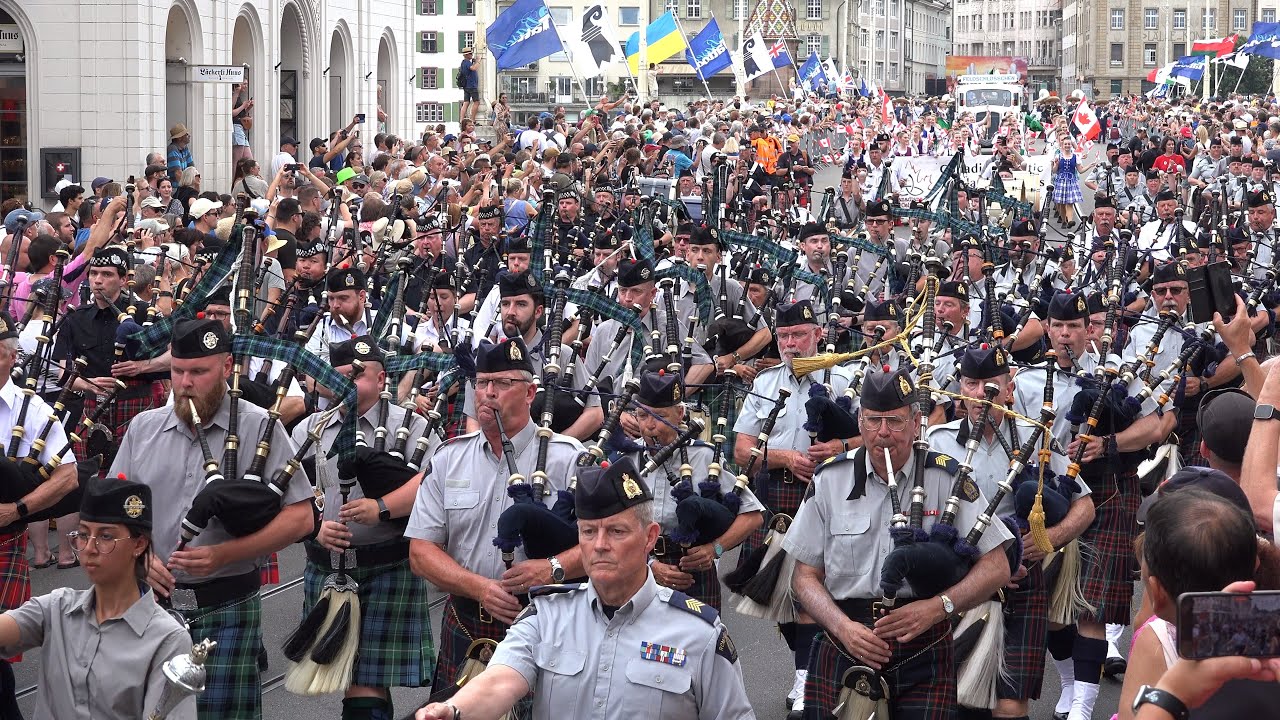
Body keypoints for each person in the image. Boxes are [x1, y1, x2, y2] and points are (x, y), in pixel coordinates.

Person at [413, 457, 755, 720]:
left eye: (617, 532)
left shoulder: (699, 634)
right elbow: (500, 680)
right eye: (589, 532)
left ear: (650, 538)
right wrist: (455, 711)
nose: (600, 545)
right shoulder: (546, 616)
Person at [108, 315, 314, 719]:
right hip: (150, 604)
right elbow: (114, 513)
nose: (185, 383)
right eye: (178, 371)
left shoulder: (260, 426)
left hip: (227, 605)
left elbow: (302, 517)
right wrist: (137, 559)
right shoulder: (143, 429)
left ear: (225, 367)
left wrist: (226, 553)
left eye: (198, 371)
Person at [785, 367, 1014, 719]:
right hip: (845, 639)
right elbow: (805, 576)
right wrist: (841, 627)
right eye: (873, 420)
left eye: (894, 420)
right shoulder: (830, 479)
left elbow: (997, 566)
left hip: (924, 641)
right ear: (859, 421)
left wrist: (939, 607)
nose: (883, 432)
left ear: (916, 421)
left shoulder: (948, 477)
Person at [405, 337, 587, 706]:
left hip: (546, 621)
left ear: (530, 392)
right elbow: (421, 551)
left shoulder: (570, 460)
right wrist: (479, 587)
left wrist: (552, 568)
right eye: (482, 383)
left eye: (502, 383)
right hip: (468, 620)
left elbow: (606, 547)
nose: (488, 393)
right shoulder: (448, 458)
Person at [294, 336, 434, 720]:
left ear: (382, 378)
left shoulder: (413, 426)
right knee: (361, 675)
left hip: (387, 564)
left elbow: (433, 483)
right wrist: (314, 529)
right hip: (327, 566)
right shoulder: (309, 429)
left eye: (357, 375)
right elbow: (290, 498)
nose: (346, 384)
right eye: (338, 376)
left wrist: (382, 507)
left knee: (367, 675)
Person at [732, 299, 856, 716]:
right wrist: (785, 457)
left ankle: (807, 679)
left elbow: (872, 436)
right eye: (783, 337)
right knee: (780, 594)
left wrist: (840, 446)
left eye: (798, 335)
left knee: (813, 590)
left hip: (834, 491)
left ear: (818, 335)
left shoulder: (844, 378)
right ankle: (807, 667)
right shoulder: (765, 383)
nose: (790, 344)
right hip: (779, 495)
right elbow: (741, 448)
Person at [0, 475, 196, 720]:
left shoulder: (167, 639)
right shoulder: (57, 608)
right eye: (83, 535)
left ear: (139, 544)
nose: (89, 548)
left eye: (106, 537)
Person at [459, 47, 480, 125]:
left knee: (466, 102)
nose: (472, 55)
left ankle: (461, 119)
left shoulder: (463, 63)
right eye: (470, 54)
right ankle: (472, 119)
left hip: (466, 86)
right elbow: (473, 68)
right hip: (471, 85)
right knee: (476, 102)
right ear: (467, 55)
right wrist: (478, 62)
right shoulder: (467, 62)